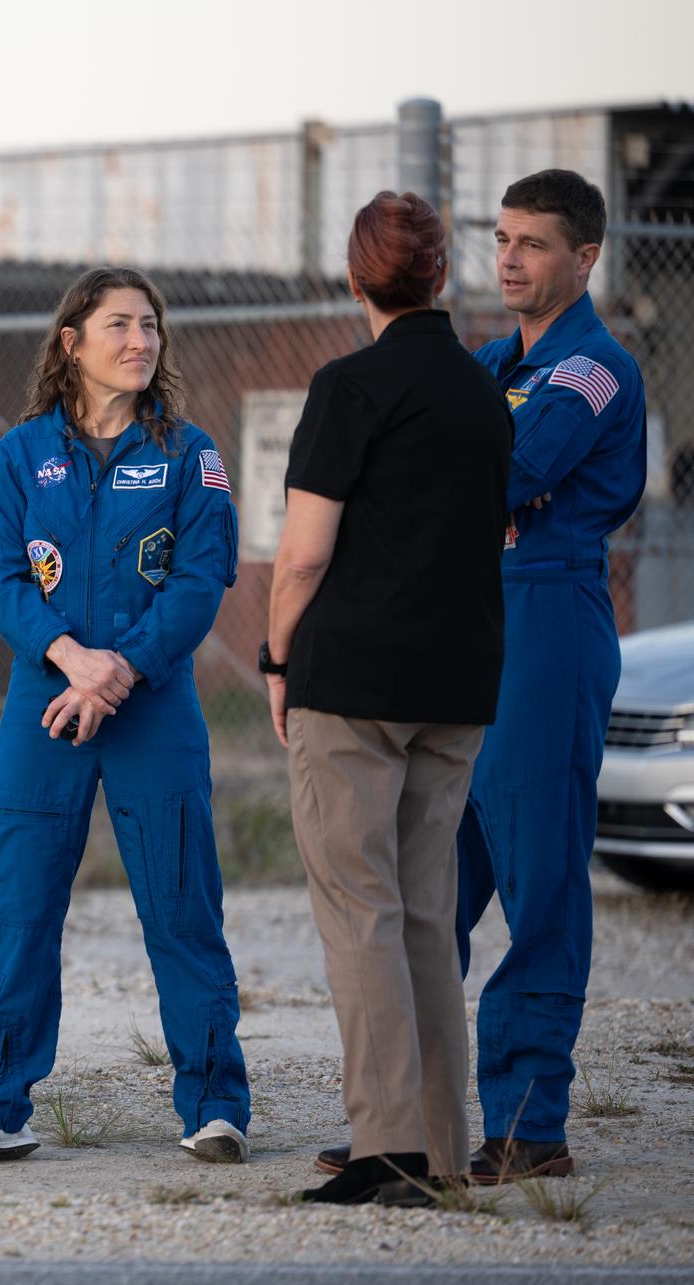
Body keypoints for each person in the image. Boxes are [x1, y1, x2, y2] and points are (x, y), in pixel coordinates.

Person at [0, 267, 249, 1165]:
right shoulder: (18, 455)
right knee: (22, 907)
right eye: (119, 325)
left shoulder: (190, 455)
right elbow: (0, 575)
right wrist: (71, 658)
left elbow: (201, 581)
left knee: (181, 904)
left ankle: (214, 1103)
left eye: (151, 326)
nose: (140, 342)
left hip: (152, 702)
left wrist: (122, 665)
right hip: (47, 702)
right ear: (71, 342)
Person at [268, 193, 512, 1204]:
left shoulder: (349, 386)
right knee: (425, 912)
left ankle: (387, 1150)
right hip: (456, 683)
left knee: (361, 911)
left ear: (357, 276)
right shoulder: (483, 396)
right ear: (441, 275)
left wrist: (278, 661)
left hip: (354, 682)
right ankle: (446, 1151)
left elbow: (303, 553)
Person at [454, 171, 645, 1182]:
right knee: (429, 882)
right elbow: (427, 458)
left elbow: (508, 467)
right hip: (468, 620)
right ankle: (408, 1116)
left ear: (584, 257)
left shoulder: (592, 368)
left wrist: (455, 483)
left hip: (547, 620)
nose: (511, 257)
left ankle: (530, 1125)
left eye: (533, 242)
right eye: (502, 237)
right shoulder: (491, 359)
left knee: (538, 882)